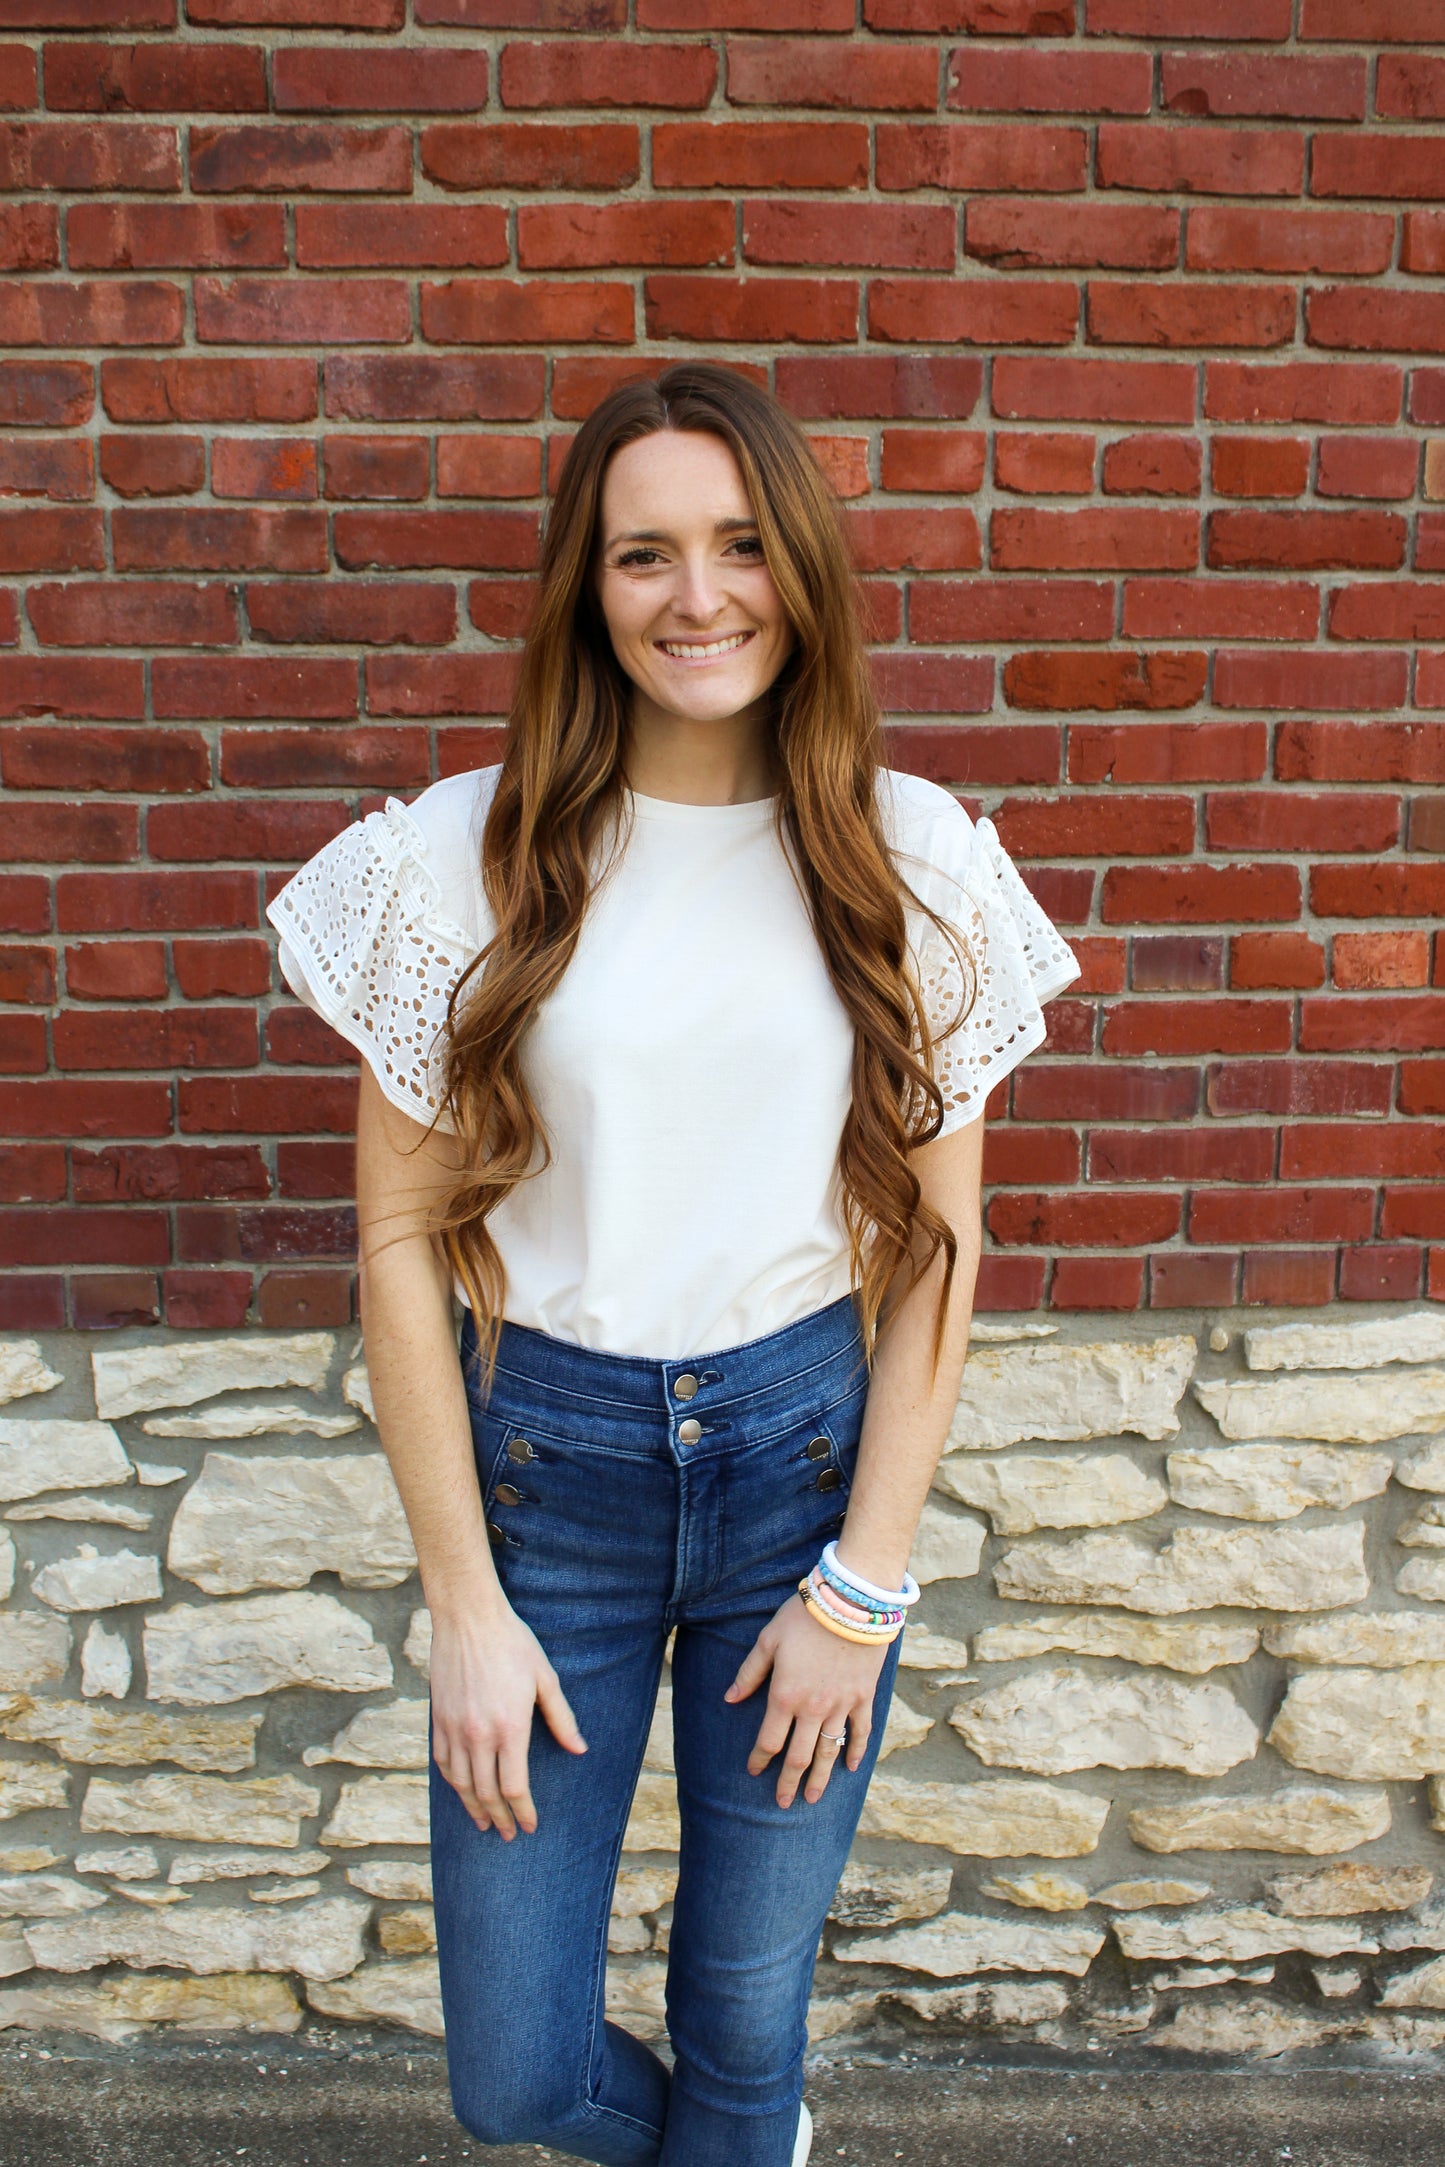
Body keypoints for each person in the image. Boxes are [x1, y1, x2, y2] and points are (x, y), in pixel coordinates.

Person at [265, 361, 1080, 2167]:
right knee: (517, 2077)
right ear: (586, 584)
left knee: (740, 2021)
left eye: (737, 546)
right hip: (548, 1481)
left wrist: (861, 1596)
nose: (696, 597)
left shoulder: (909, 851)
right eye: (644, 555)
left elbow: (943, 1250)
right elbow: (397, 1243)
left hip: (799, 1464)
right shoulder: (456, 856)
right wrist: (464, 1610)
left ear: (800, 571)